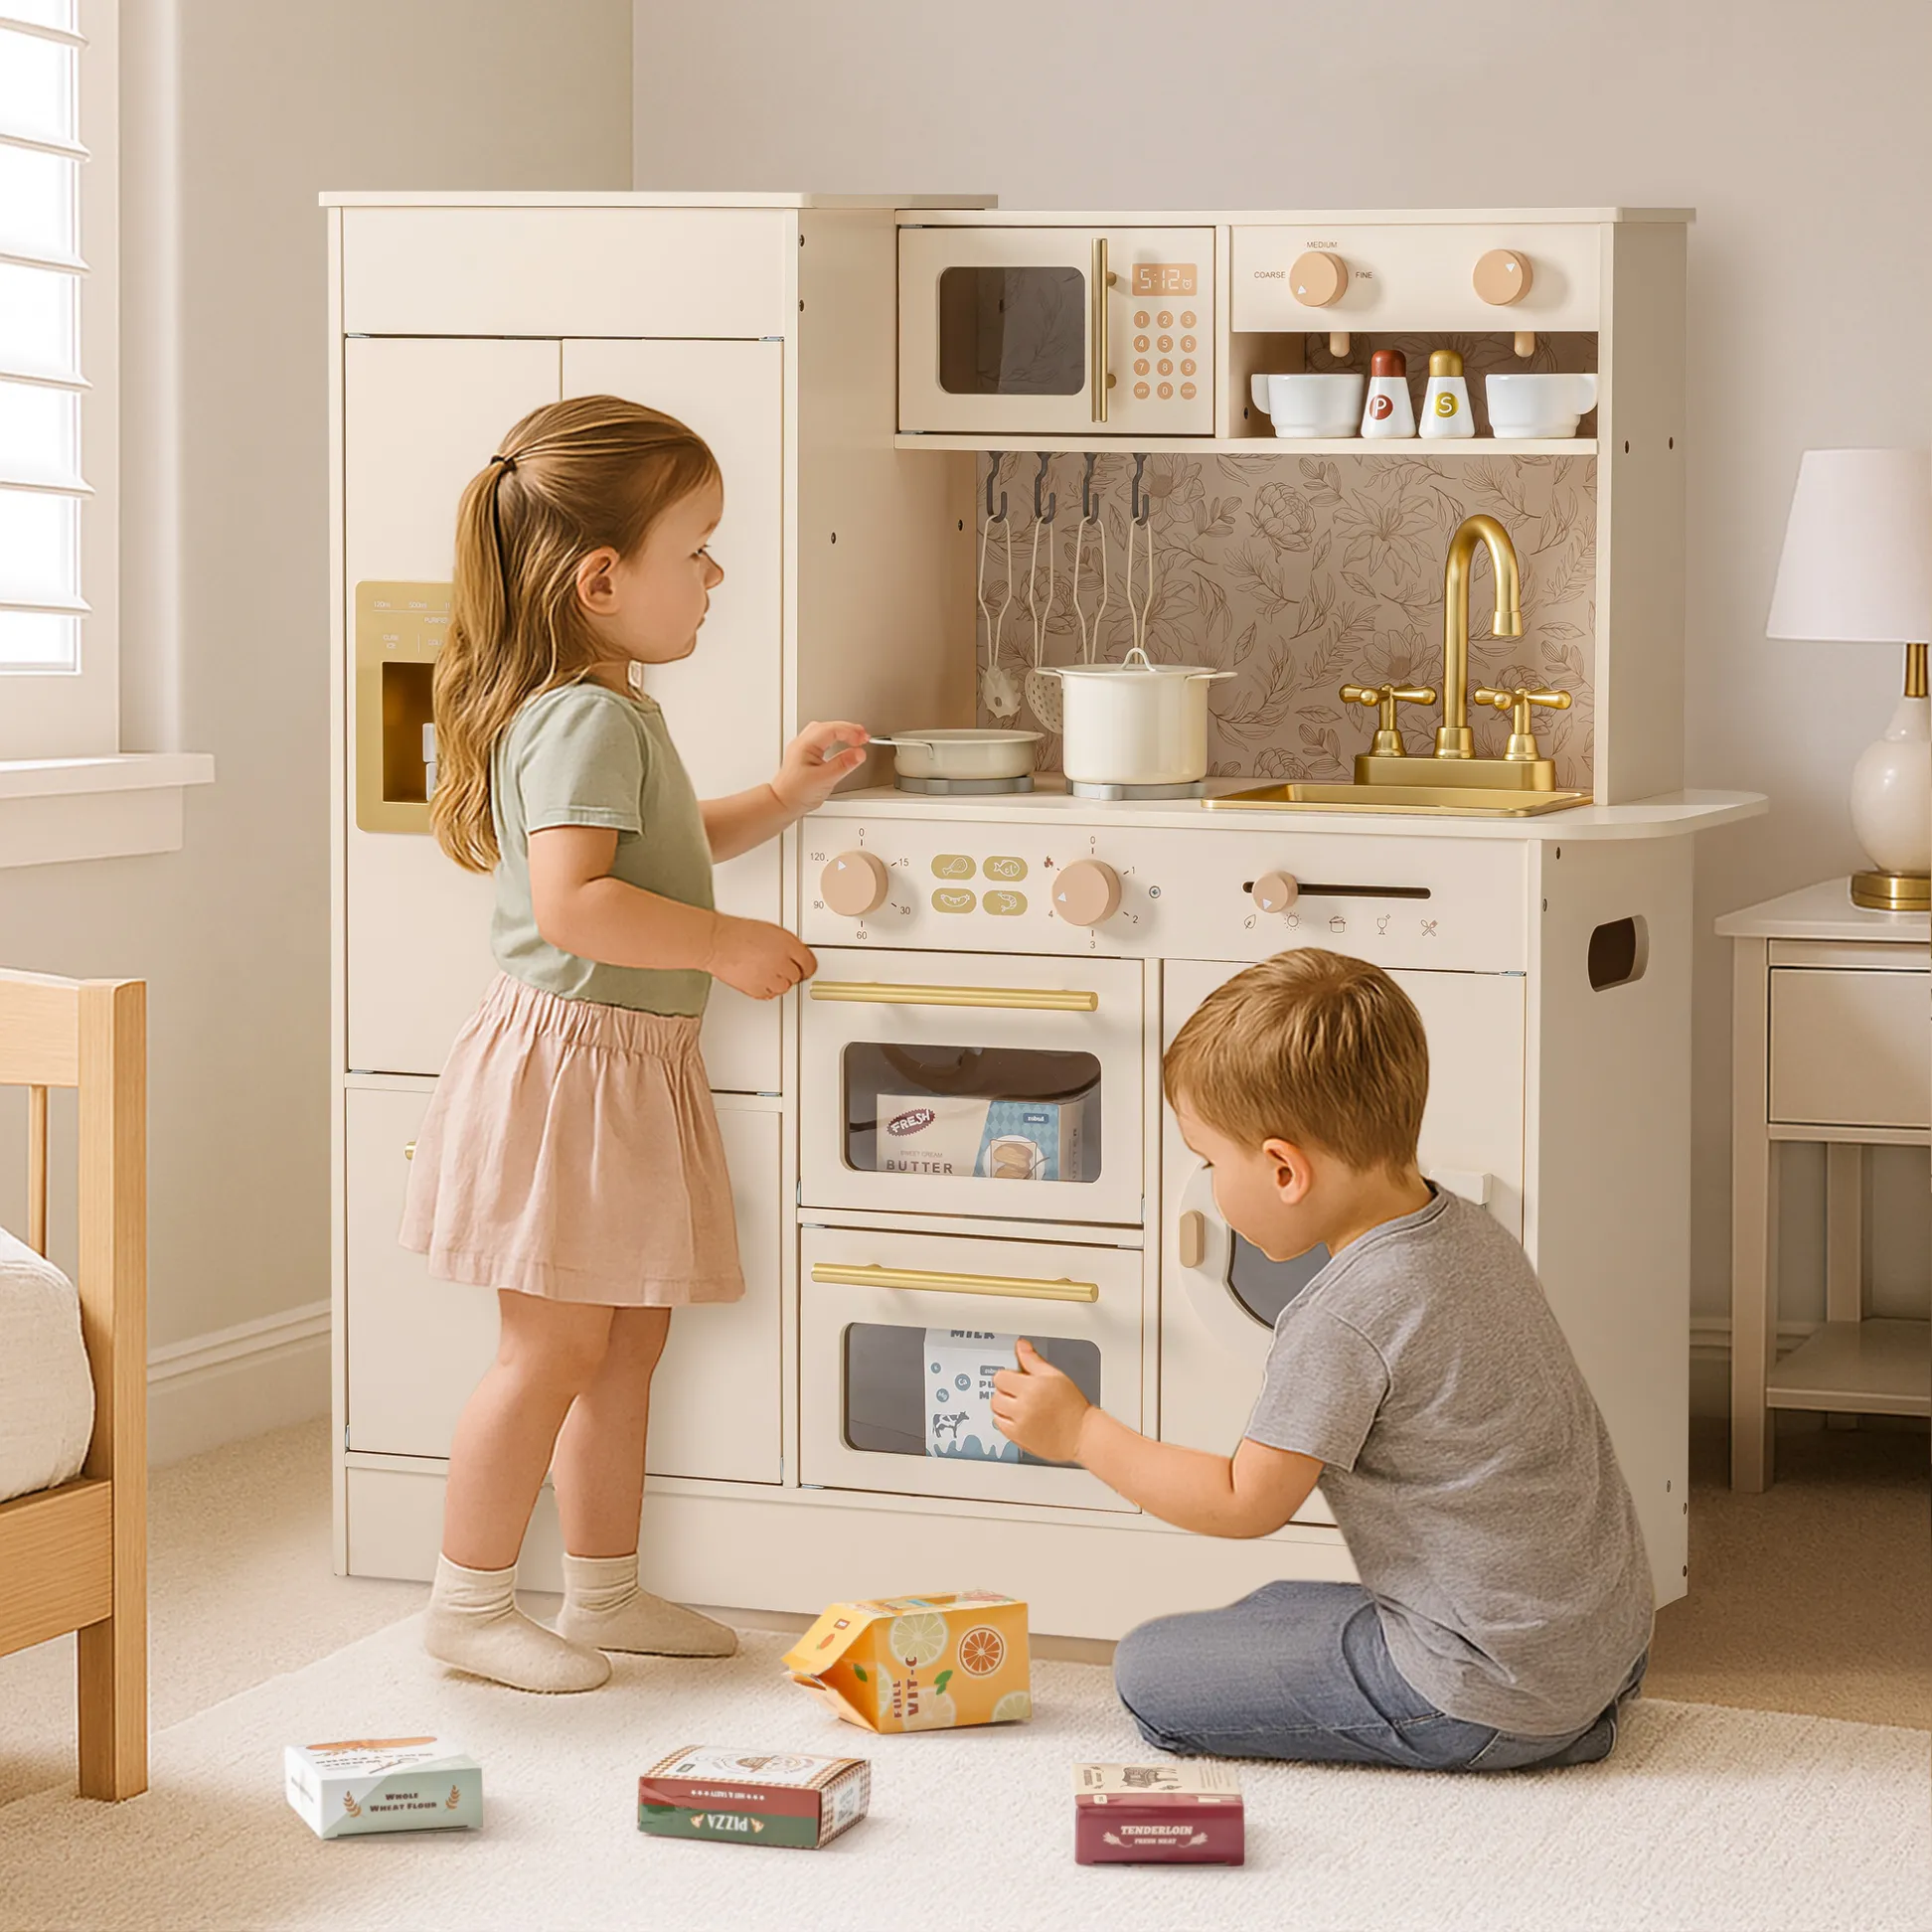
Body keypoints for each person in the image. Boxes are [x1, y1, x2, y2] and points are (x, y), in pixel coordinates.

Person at [401, 396, 867, 1692]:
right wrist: (723, 948)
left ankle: (600, 1594)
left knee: (623, 1345)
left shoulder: (608, 706)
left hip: (616, 1067)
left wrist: (781, 796)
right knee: (549, 1348)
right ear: (603, 580)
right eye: (698, 550)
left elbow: (651, 852)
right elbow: (574, 904)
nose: (716, 575)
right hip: (570, 1071)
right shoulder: (588, 716)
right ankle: (468, 1604)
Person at [992, 948, 1653, 1770]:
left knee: (1150, 1670)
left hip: (1489, 1692)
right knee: (1272, 1608)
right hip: (1598, 1641)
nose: (1206, 1182)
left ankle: (1524, 1735)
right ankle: (1556, 1713)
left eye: (1207, 1160)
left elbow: (1243, 1502)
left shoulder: (1345, 1314)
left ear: (1282, 1169)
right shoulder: (1471, 1232)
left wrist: (1083, 1433)